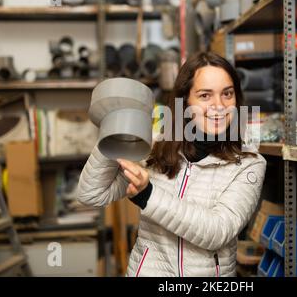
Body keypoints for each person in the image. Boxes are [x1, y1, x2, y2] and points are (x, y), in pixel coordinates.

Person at [77, 52, 267, 277]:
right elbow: (92, 194)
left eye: (227, 94)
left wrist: (148, 195)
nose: (219, 106)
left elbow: (217, 232)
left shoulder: (248, 164)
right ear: (185, 101)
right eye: (205, 95)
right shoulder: (155, 148)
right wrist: (114, 131)